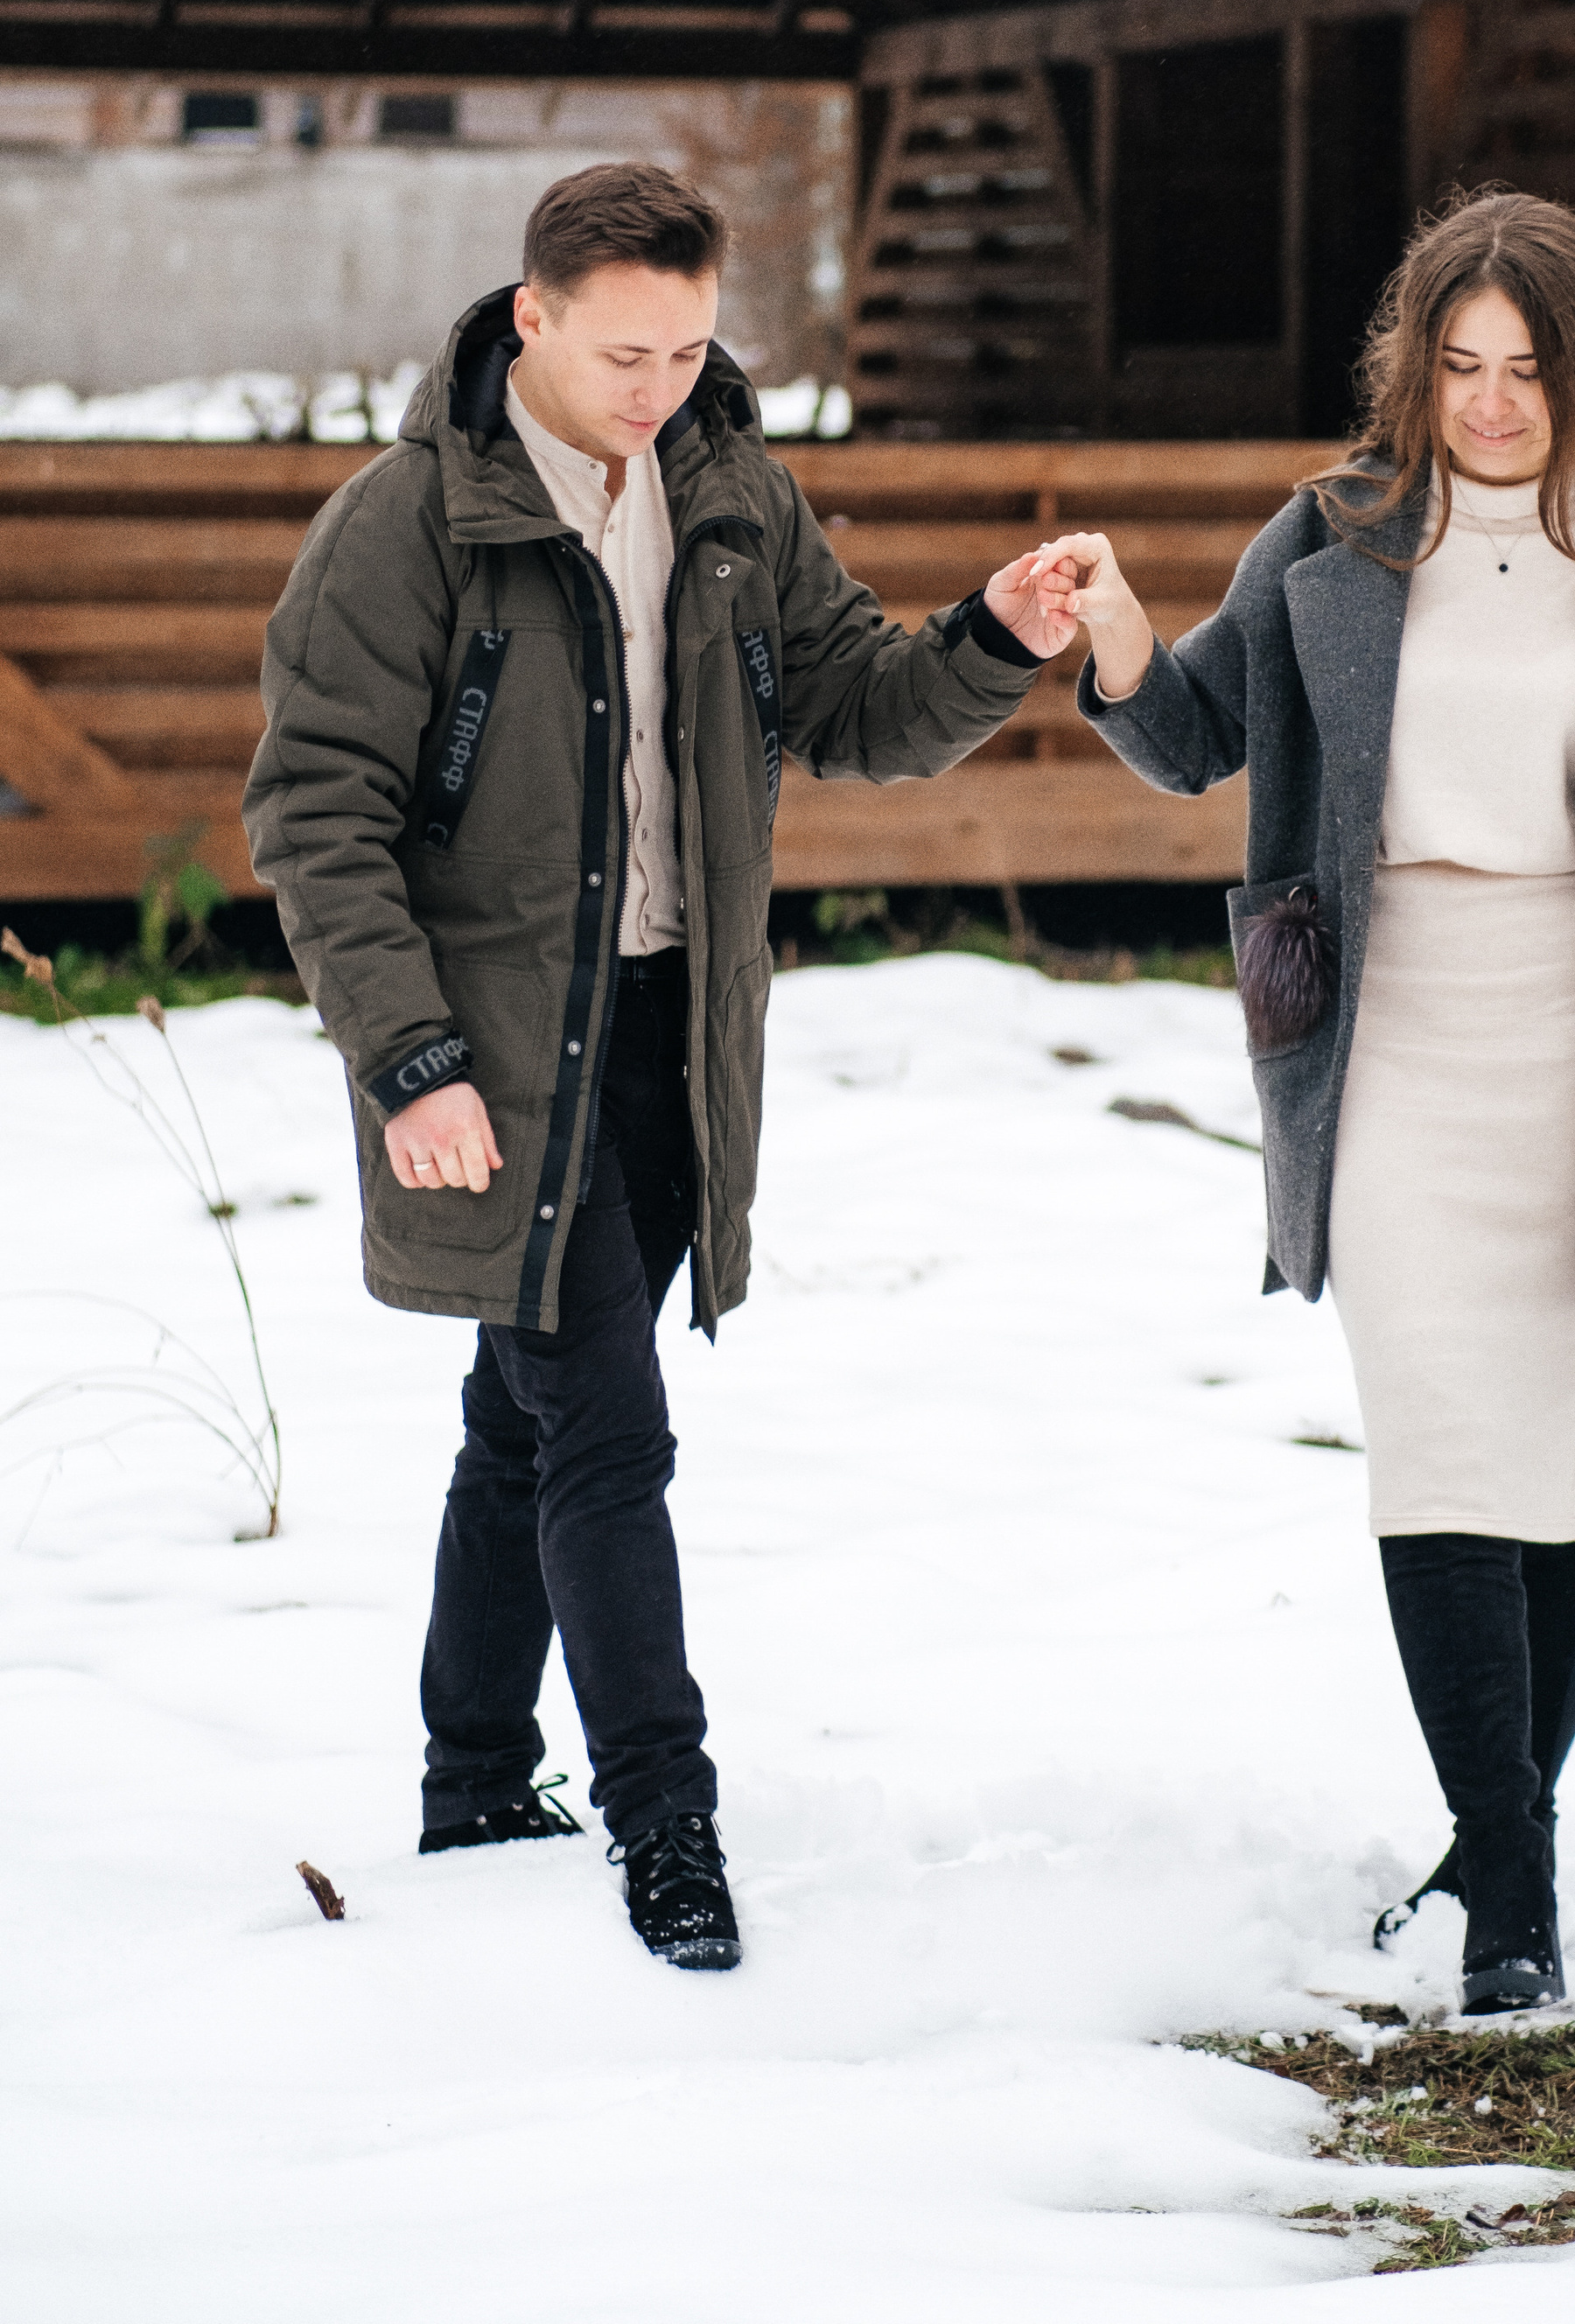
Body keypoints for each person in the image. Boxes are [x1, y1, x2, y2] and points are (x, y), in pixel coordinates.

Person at [244, 161, 1073, 1969]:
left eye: (691, 351)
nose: (659, 388)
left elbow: (849, 701)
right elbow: (315, 820)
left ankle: (472, 1780)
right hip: (495, 1053)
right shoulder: (405, 528)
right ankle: (665, 1830)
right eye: (625, 353)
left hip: (669, 1041)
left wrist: (994, 635)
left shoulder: (726, 497)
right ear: (528, 318)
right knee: (604, 1434)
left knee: (517, 1427)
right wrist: (411, 1063)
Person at [1029, 187, 1575, 2015]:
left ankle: (1499, 1834)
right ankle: (1515, 1902)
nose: (1486, 403)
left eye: (1523, 370)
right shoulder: (1336, 533)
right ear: (1416, 365)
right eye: (1457, 365)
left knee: (1551, 1456)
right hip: (1375, 1041)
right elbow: (1190, 739)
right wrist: (1124, 633)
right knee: (1437, 1447)